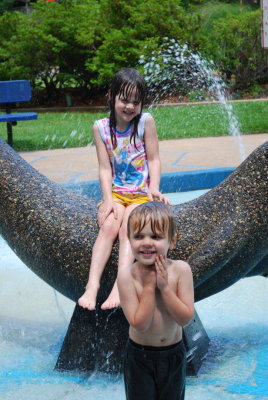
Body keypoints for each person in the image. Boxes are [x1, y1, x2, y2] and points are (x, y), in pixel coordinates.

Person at [78, 68, 170, 311]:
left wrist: (154, 188)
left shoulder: (145, 123)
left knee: (129, 226)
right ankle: (92, 286)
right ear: (111, 96)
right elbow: (105, 168)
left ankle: (120, 284)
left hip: (140, 194)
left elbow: (154, 159)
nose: (130, 106)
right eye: (124, 100)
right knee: (109, 225)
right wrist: (107, 200)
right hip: (117, 193)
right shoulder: (100, 128)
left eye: (136, 102)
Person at [118, 201, 194, 400]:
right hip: (139, 356)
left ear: (173, 240)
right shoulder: (127, 277)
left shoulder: (181, 270)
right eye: (138, 236)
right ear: (129, 239)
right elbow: (140, 324)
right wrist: (150, 287)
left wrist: (165, 288)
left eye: (156, 236)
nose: (146, 242)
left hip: (173, 354)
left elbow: (185, 318)